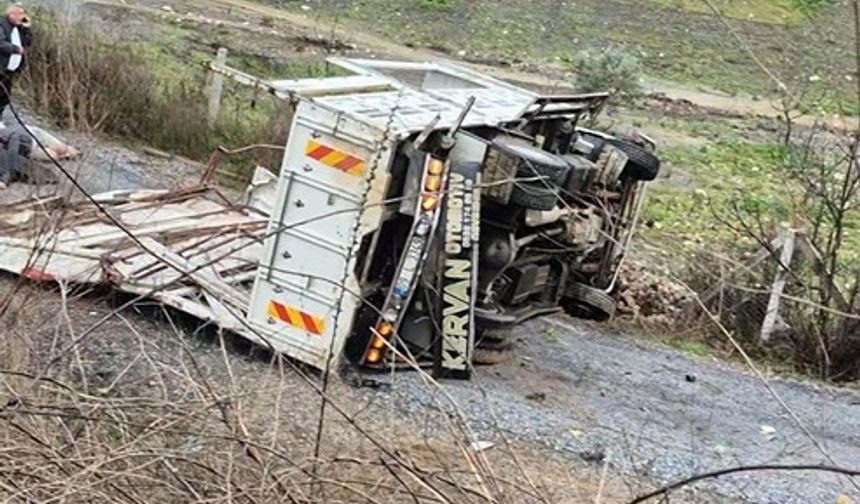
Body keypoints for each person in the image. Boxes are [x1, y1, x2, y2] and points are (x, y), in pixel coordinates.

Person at [0, 4, 31, 118]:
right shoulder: (1, 24)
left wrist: (26, 29)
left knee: (4, 97)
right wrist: (16, 49)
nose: (23, 17)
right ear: (11, 14)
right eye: (20, 14)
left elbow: (27, 42)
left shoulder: (17, 27)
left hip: (9, 70)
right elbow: (1, 43)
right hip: (1, 67)